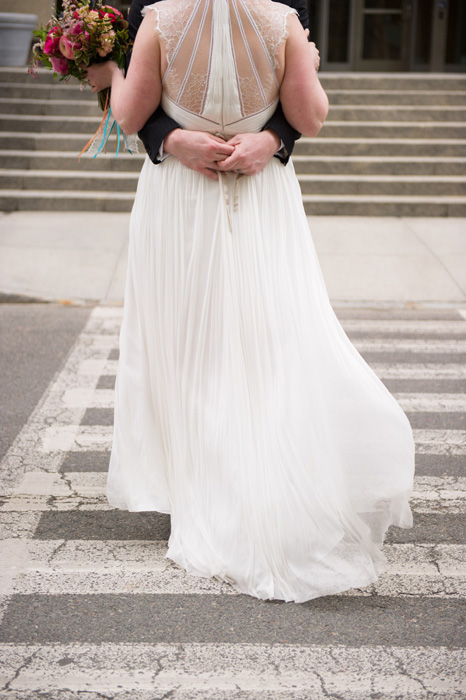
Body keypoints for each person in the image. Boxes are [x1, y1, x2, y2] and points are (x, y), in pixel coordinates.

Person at [87, 0, 415, 603]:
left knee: (189, 345)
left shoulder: (161, 19)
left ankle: (203, 487)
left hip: (181, 202)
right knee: (263, 339)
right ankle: (255, 477)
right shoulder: (282, 21)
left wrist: (106, 73)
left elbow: (131, 116)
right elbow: (311, 118)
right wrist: (303, 75)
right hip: (262, 201)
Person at [128, 0, 313, 179]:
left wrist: (272, 140)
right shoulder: (151, 7)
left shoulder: (288, 7)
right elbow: (134, 84)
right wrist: (170, 138)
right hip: (178, 170)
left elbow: (300, 93)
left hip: (262, 171)